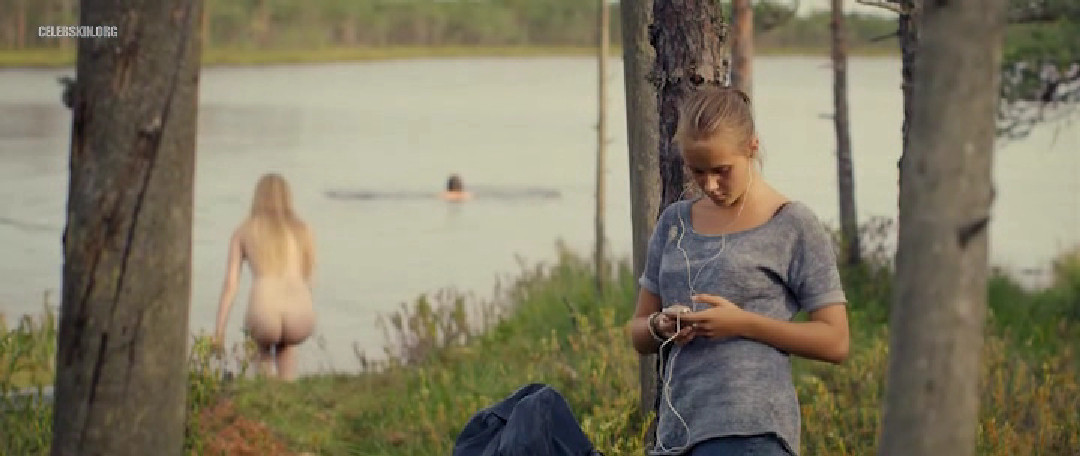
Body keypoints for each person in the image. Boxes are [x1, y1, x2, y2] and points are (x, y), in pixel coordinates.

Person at [626, 86, 850, 456]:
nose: (710, 185)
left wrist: (741, 324)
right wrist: (660, 326)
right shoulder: (674, 223)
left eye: (722, 171)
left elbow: (835, 341)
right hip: (676, 437)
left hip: (752, 433)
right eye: (698, 171)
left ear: (752, 147)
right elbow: (637, 333)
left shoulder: (792, 224)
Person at [214, 173, 317, 381]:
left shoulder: (245, 230)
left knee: (261, 348)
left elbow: (231, 285)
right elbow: (309, 278)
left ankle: (266, 388)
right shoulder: (302, 229)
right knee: (286, 346)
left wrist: (219, 330)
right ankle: (288, 388)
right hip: (301, 314)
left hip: (264, 311)